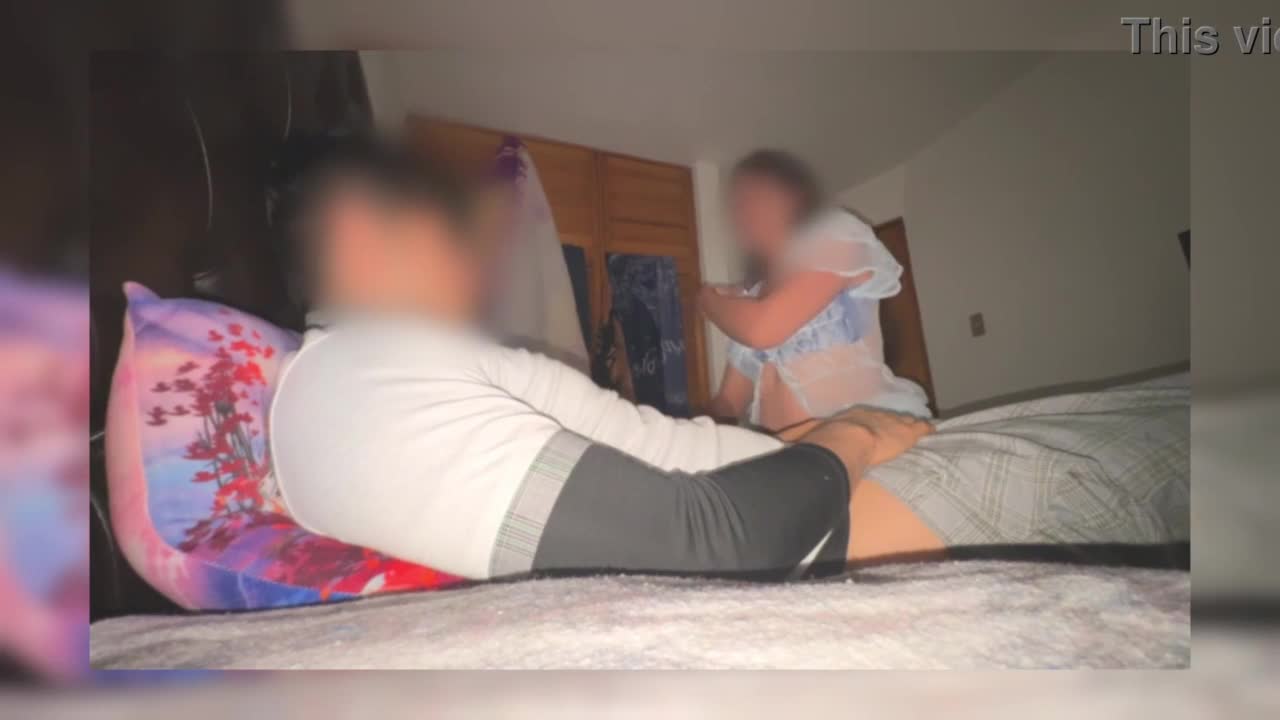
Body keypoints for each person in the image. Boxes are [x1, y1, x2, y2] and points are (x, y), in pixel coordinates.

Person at [266, 137, 934, 583]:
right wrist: (853, 436)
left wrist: (814, 442)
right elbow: (713, 539)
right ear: (358, 235)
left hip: (807, 470)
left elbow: (653, 441)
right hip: (818, 509)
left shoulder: (414, 364)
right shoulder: (360, 392)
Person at [702, 150, 932, 431]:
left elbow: (762, 330)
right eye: (738, 205)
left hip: (858, 434)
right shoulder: (751, 300)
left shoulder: (837, 233)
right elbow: (729, 402)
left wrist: (707, 301)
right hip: (783, 449)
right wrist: (693, 427)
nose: (747, 211)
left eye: (758, 196)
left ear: (794, 197)